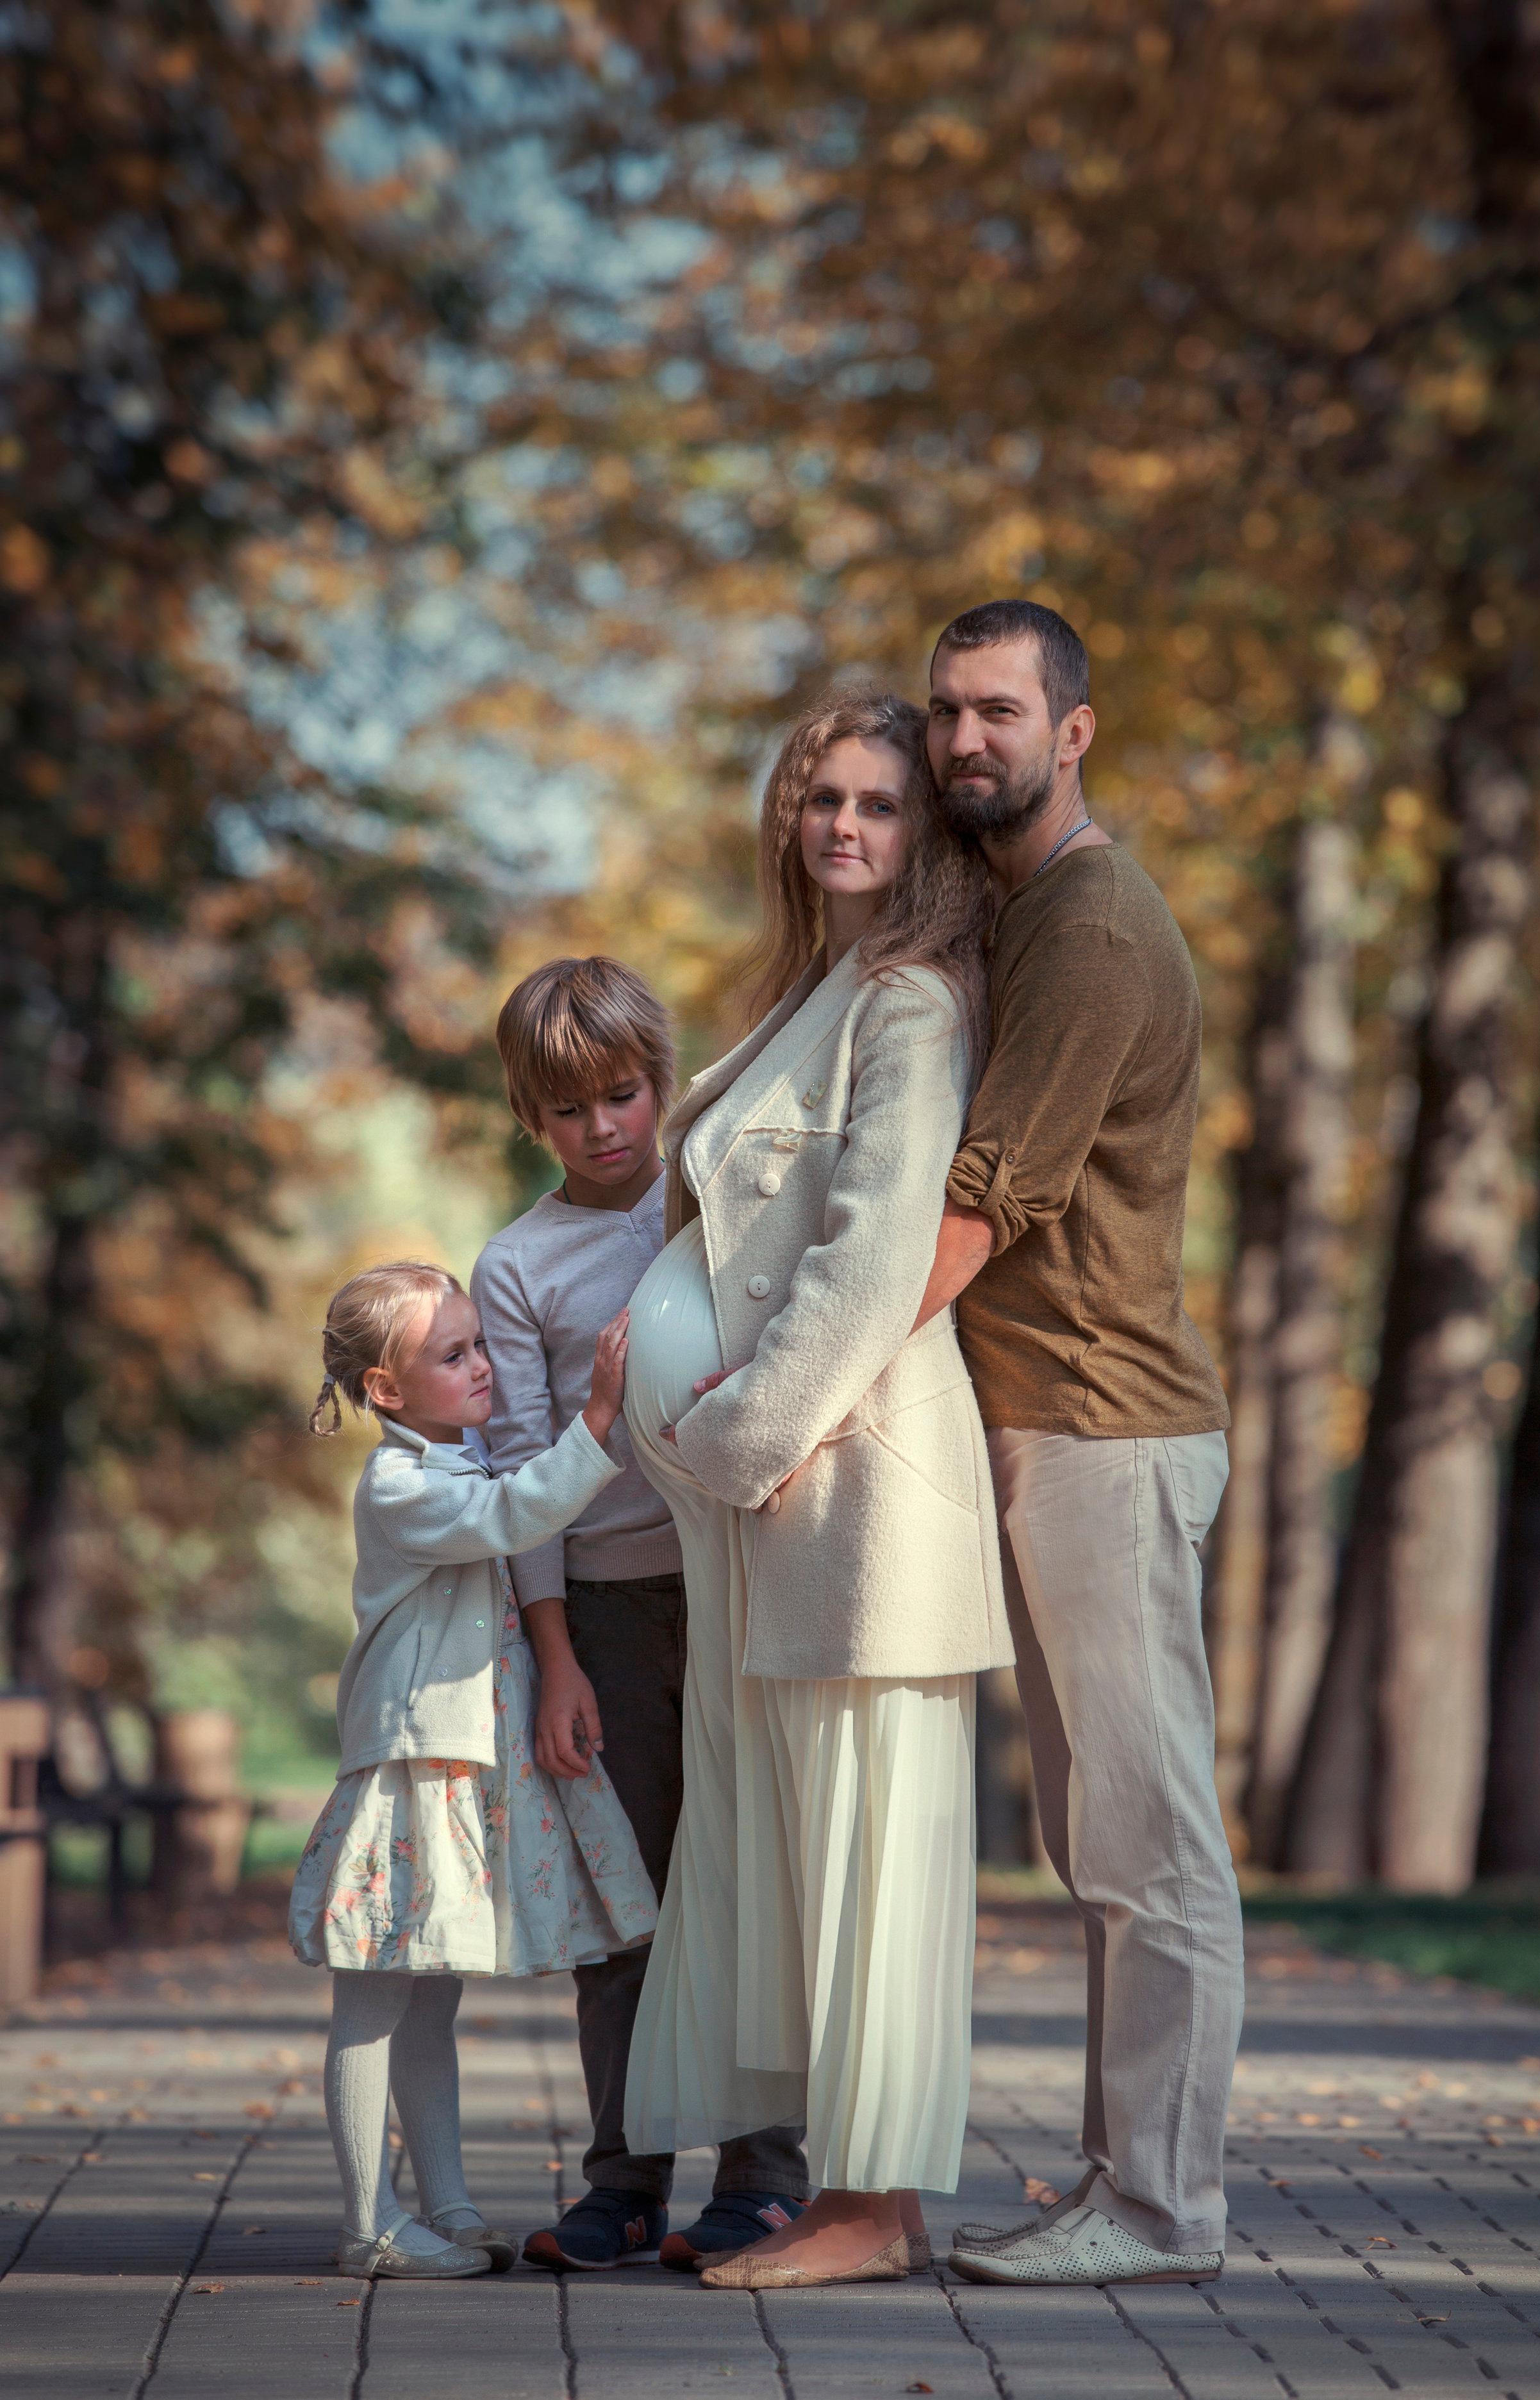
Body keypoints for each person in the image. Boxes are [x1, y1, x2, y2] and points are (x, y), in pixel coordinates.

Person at [620, 686, 1013, 2290]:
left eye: (877, 801)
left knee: (874, 1857)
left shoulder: (912, 1002)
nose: (843, 825)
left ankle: (873, 2210)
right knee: (801, 1861)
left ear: (923, 827)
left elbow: (867, 1267)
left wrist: (722, 1441)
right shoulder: (815, 987)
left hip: (850, 1494)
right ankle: (834, 2197)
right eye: (819, 800)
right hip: (773, 1513)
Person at [908, 599, 1238, 2290]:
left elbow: (981, 1213)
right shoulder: (1028, 913)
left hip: (1106, 1430)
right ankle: (1131, 2186)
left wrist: (800, 1382)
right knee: (1101, 1836)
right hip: (1057, 1429)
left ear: (1075, 728)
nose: (970, 739)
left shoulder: (1095, 923)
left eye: (1002, 712)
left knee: (1146, 1838)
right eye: (949, 711)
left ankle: (1165, 2211)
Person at [471, 957, 809, 2273]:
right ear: (529, 1117)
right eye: (567, 1110)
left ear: (661, 1083)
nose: (602, 1126)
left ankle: (764, 2177)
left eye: (620, 1095)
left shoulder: (714, 1203)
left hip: (735, 1586)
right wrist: (552, 1657)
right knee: (627, 1912)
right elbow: (516, 1471)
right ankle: (620, 2183)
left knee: (745, 1887)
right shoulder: (518, 1263)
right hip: (603, 1615)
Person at [290, 1261, 654, 2280]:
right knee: (375, 1993)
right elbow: (512, 1519)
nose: (481, 1364)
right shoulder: (403, 1485)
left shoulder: (463, 1455)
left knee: (429, 1994)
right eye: (452, 1354)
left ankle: (443, 2201)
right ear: (385, 1391)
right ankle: (369, 2221)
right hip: (408, 1763)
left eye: (480, 1343)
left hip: (450, 1766)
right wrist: (598, 1420)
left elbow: (508, 1501)